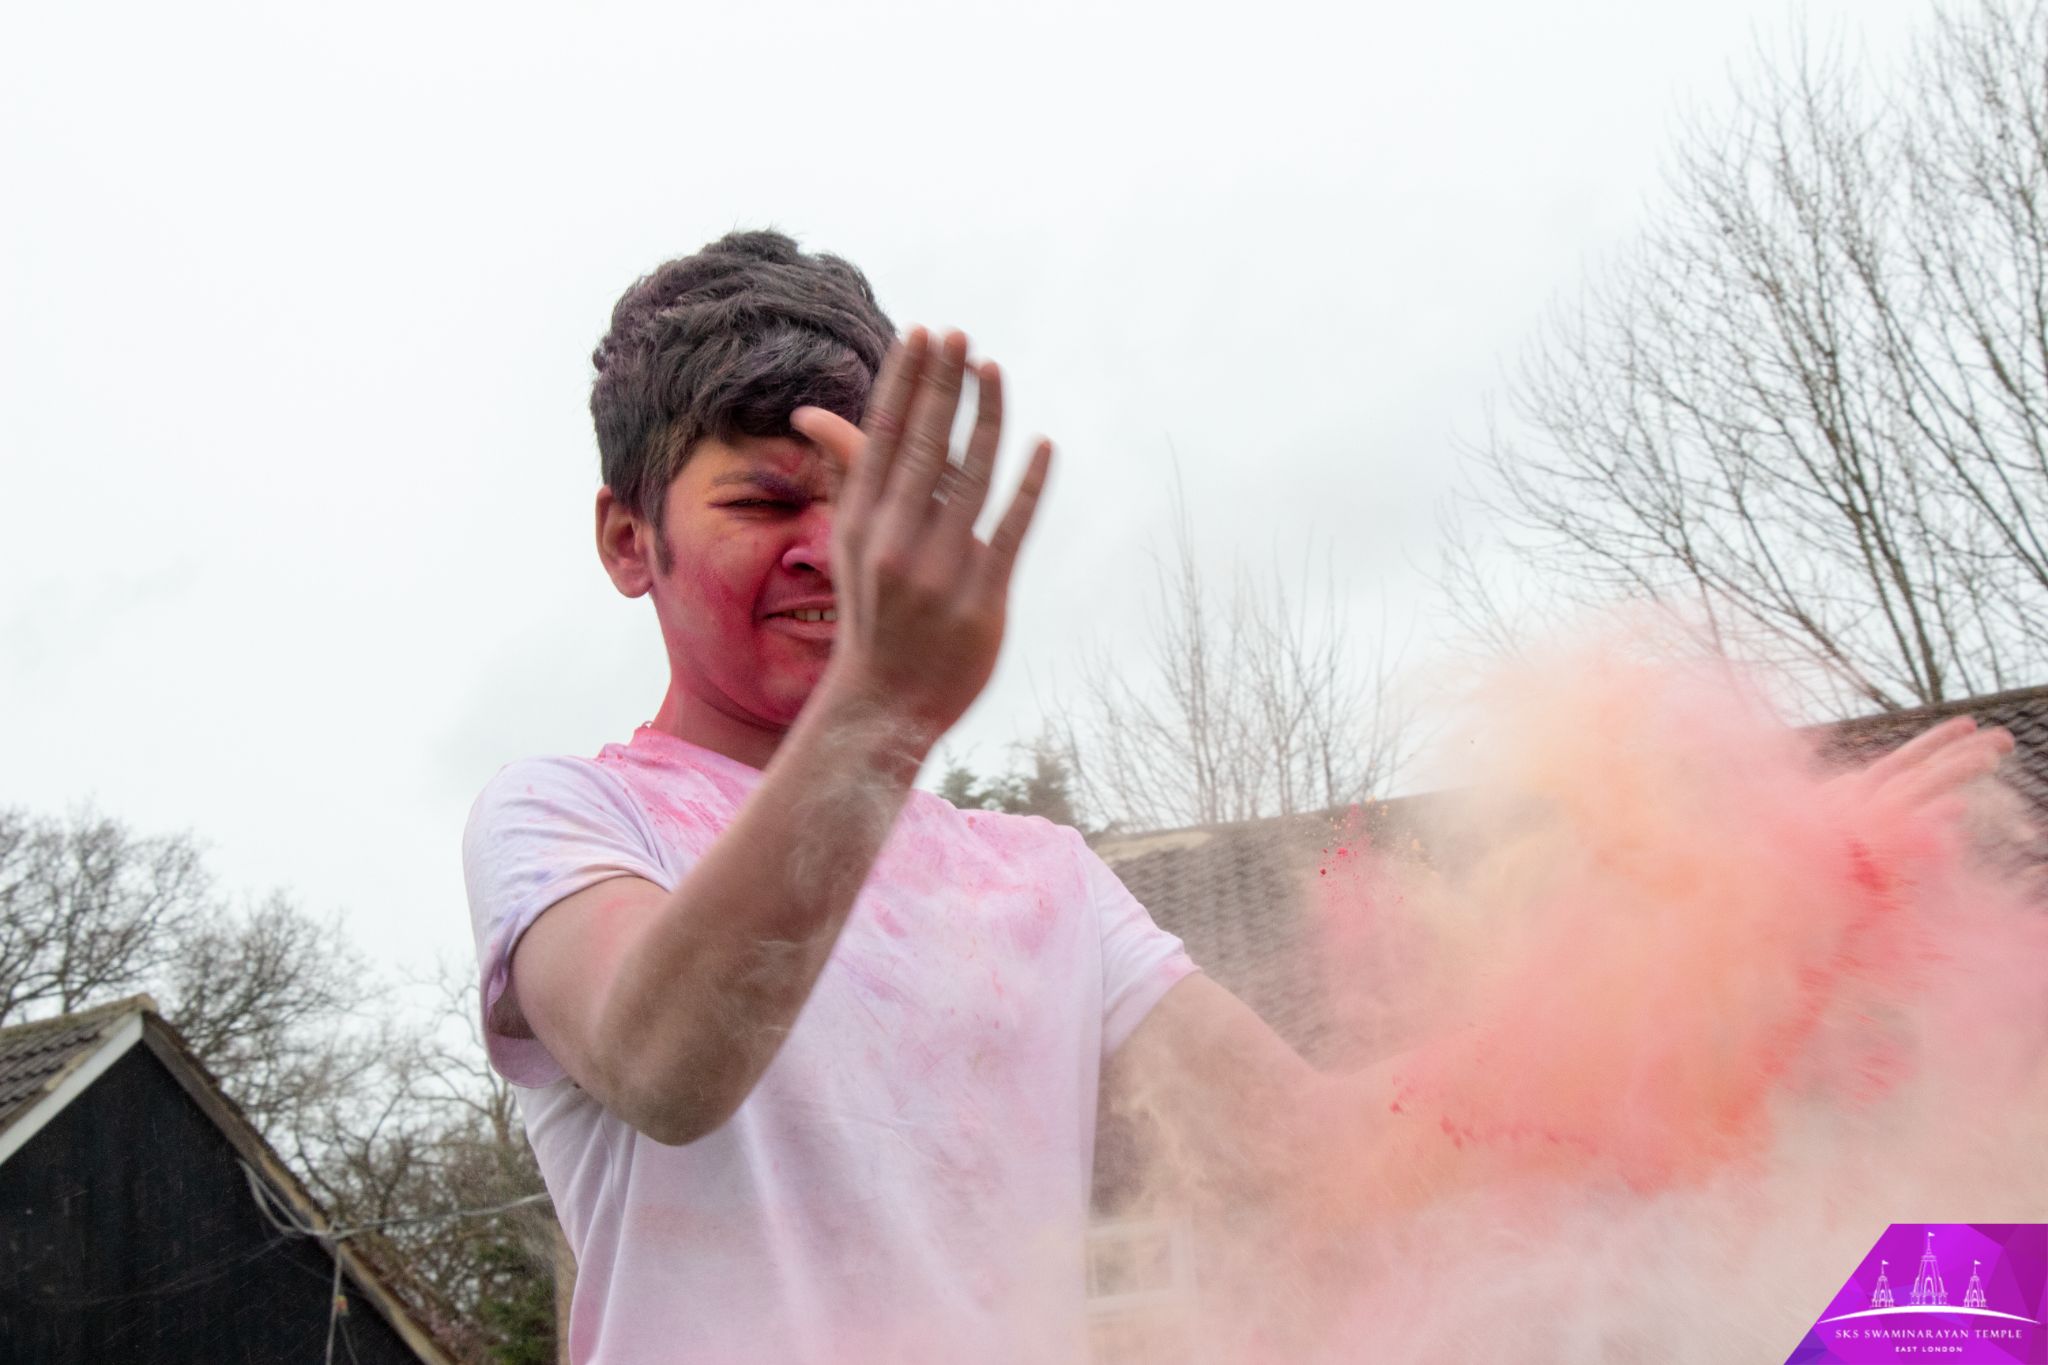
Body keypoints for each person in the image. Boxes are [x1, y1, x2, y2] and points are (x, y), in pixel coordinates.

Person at [464, 230, 2017, 1365]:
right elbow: (669, 1058)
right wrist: (880, 715)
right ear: (627, 539)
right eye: (764, 500)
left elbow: (1327, 1164)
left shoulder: (1041, 881)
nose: (827, 549)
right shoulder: (566, 824)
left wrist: (1725, 952)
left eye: (862, 502)